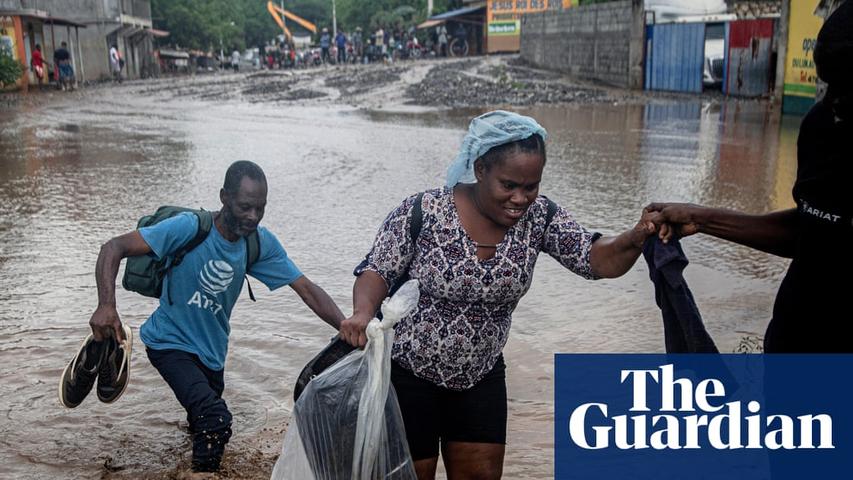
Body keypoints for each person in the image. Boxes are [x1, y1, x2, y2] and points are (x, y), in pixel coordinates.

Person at [339, 111, 661, 479]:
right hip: (409, 376)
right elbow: (377, 269)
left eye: (531, 186)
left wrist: (636, 237)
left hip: (481, 377)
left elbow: (594, 260)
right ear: (479, 170)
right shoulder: (423, 211)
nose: (520, 198)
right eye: (508, 185)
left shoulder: (540, 218)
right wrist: (363, 312)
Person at [75, 161, 346, 473]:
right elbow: (114, 247)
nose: (253, 217)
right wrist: (106, 305)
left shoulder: (258, 243)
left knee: (200, 430)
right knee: (215, 419)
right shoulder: (189, 228)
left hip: (212, 356)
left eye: (260, 208)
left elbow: (307, 289)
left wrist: (347, 326)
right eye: (245, 207)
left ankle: (182, 467)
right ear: (224, 197)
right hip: (169, 343)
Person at [648, 1, 852, 353]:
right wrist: (700, 218)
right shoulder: (821, 128)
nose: (833, 102)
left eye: (848, 89)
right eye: (828, 83)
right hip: (792, 349)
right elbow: (813, 229)